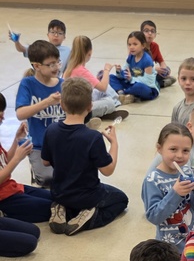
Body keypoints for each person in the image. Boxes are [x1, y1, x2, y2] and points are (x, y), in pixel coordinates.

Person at [41, 77, 128, 235]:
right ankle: (89, 216)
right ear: (90, 107)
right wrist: (114, 144)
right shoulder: (92, 137)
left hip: (59, 192)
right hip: (87, 196)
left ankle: (62, 208)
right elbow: (108, 170)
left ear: (62, 105)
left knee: (70, 198)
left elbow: (45, 162)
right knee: (121, 199)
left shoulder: (51, 130)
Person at [141, 123, 194, 253]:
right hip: (168, 248)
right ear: (160, 149)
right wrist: (175, 193)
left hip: (191, 243)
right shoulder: (153, 180)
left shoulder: (189, 171)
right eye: (173, 149)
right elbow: (154, 217)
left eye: (185, 151)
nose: (179, 156)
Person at [15, 40, 65, 187]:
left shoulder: (63, 84)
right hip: (39, 146)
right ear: (37, 66)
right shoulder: (28, 84)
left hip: (62, 145)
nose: (56, 67)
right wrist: (47, 102)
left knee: (74, 176)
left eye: (57, 62)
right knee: (49, 180)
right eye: (51, 64)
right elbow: (20, 114)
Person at [0, 92, 52, 221]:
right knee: (54, 208)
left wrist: (17, 141)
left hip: (11, 187)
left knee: (57, 198)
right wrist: (17, 158)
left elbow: (4, 161)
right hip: (4, 198)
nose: (3, 117)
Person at [63, 35, 124, 119]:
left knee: (105, 89)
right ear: (89, 53)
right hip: (79, 108)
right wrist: (106, 70)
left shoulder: (70, 67)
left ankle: (109, 106)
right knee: (110, 102)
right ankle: (106, 110)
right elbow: (103, 87)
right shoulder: (81, 70)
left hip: (73, 102)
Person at [109, 30, 158, 103]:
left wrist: (132, 79)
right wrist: (119, 71)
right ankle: (123, 94)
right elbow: (125, 75)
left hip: (147, 88)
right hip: (131, 83)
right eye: (129, 44)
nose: (131, 47)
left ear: (143, 45)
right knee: (110, 77)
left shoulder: (147, 60)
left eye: (135, 44)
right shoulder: (130, 57)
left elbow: (149, 82)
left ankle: (124, 92)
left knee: (139, 87)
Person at [140, 19, 175, 88]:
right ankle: (160, 83)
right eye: (146, 31)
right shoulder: (138, 47)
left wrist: (164, 70)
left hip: (151, 72)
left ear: (155, 34)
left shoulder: (155, 46)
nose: (149, 33)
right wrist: (155, 69)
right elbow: (137, 67)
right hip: (140, 73)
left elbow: (161, 61)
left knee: (167, 70)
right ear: (141, 33)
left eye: (152, 31)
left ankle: (158, 82)